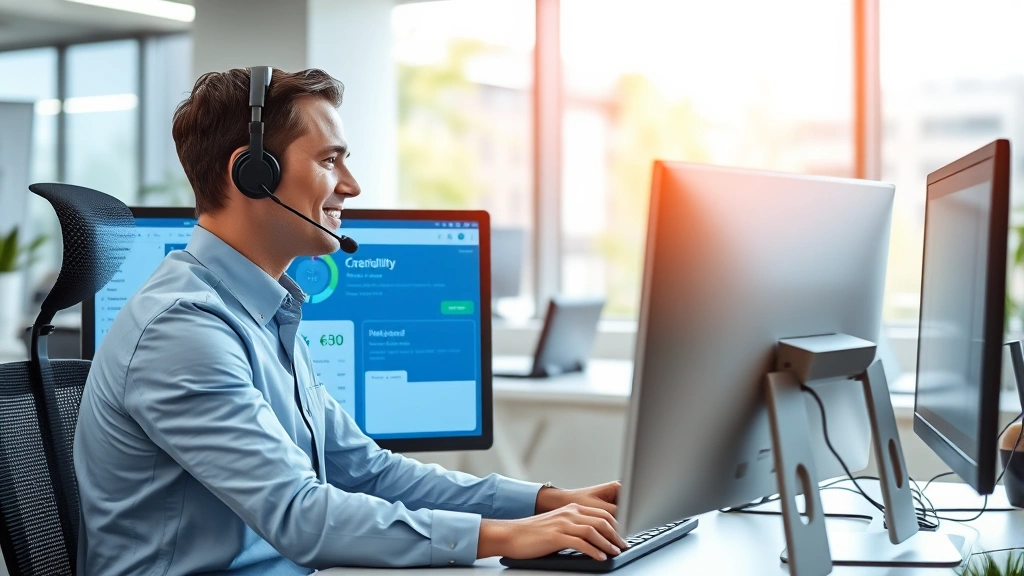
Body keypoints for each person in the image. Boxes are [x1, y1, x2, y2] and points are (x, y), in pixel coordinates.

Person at [73, 67, 628, 575]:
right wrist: (506, 536)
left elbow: (366, 471)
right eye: (329, 160)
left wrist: (542, 502)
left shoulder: (261, 312)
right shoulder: (182, 330)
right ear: (253, 173)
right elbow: (300, 515)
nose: (352, 185)